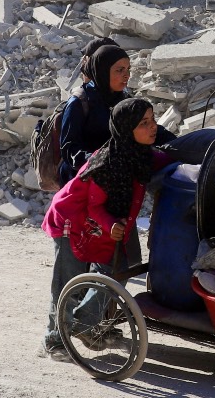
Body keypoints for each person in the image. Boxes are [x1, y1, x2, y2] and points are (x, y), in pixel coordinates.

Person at [39, 97, 173, 360]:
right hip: (72, 219)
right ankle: (54, 340)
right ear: (127, 128)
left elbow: (166, 159)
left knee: (116, 269)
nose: (153, 127)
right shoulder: (108, 163)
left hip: (96, 225)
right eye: (144, 123)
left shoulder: (139, 154)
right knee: (68, 282)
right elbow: (94, 205)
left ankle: (85, 324)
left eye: (153, 120)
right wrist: (111, 224)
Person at [57, 42, 175, 184]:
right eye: (120, 70)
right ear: (103, 71)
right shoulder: (79, 102)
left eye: (128, 69)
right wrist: (99, 161)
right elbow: (70, 149)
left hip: (116, 173)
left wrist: (178, 144)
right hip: (83, 179)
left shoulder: (124, 99)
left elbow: (146, 126)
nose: (127, 75)